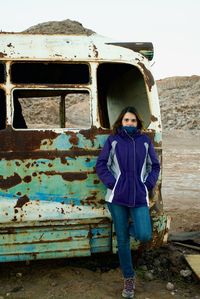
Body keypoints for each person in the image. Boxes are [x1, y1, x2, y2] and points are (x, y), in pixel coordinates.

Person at [95, 106, 160, 298]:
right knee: (122, 240)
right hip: (117, 198)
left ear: (137, 122)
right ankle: (129, 279)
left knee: (144, 234)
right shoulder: (113, 140)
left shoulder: (145, 141)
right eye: (126, 120)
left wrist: (147, 183)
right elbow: (101, 164)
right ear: (121, 122)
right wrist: (112, 183)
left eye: (132, 120)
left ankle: (133, 228)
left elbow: (154, 165)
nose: (129, 123)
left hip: (139, 197)